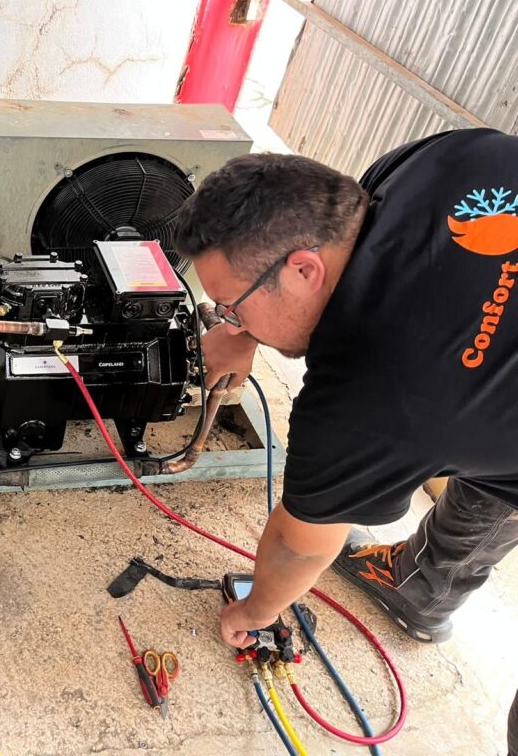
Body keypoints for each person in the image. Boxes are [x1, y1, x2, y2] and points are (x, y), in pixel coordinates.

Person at [173, 128, 518, 754]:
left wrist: (254, 613)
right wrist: (247, 329)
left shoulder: (371, 400)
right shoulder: (446, 161)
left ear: (304, 270)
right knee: (491, 444)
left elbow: (300, 544)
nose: (225, 320)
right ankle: (424, 593)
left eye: (229, 307)